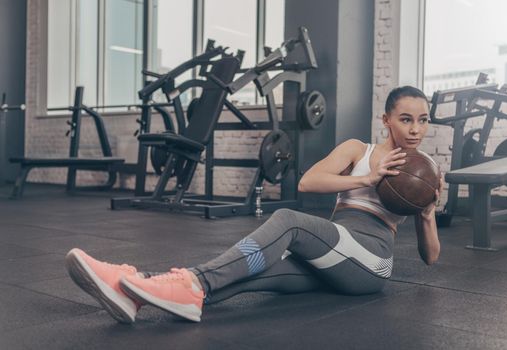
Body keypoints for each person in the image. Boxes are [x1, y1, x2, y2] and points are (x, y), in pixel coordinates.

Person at [65, 86, 442, 324]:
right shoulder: (359, 151)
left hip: (371, 261)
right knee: (256, 274)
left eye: (422, 120)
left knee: (290, 222)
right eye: (406, 119)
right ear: (387, 119)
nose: (415, 129)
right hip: (335, 247)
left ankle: (192, 281)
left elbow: (431, 258)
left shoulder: (425, 171)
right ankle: (135, 290)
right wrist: (366, 178)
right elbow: (310, 181)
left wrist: (426, 216)